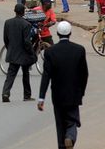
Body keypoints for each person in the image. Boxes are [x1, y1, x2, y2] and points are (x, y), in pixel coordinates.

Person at [38, 21, 89, 149]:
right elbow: (84, 74)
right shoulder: (79, 50)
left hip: (58, 96)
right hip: (74, 95)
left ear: (57, 34)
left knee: (60, 125)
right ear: (70, 33)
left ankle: (62, 143)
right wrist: (81, 92)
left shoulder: (50, 52)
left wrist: (41, 98)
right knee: (72, 122)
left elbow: (46, 76)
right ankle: (70, 137)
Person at [1, 3, 37, 103]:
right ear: (23, 12)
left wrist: (10, 49)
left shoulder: (7, 22)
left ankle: (5, 93)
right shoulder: (26, 24)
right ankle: (27, 95)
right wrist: (31, 53)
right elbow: (27, 42)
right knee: (26, 74)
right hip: (24, 54)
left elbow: (5, 39)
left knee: (10, 74)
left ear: (15, 11)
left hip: (13, 52)